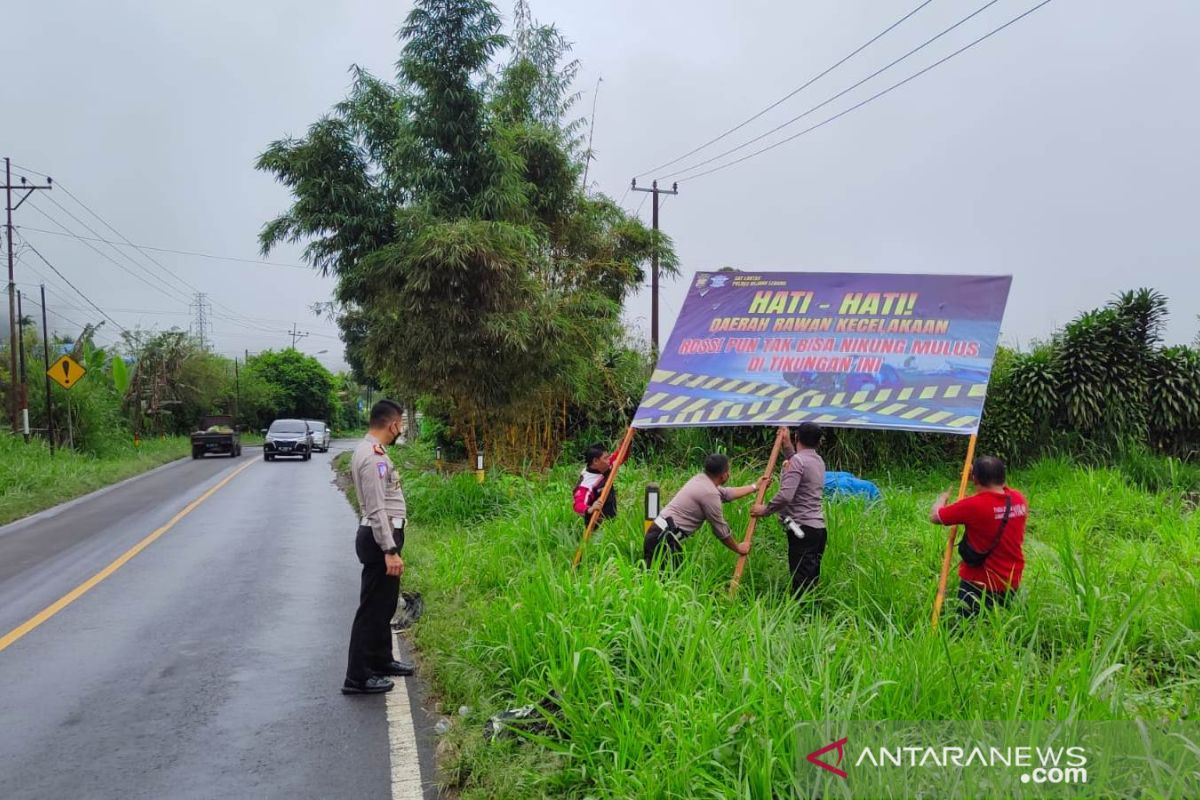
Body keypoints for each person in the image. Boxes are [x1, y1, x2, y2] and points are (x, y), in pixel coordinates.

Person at [343, 399, 416, 695]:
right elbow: (375, 509)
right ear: (393, 424)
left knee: (384, 604)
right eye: (401, 424)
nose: (401, 429)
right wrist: (389, 550)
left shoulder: (371, 450)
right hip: (379, 539)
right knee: (372, 609)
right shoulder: (374, 457)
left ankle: (381, 659)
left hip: (382, 536)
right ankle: (357, 677)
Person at [929, 455, 1028, 617]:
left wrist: (942, 499)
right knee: (1000, 629)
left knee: (967, 630)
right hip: (1011, 580)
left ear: (975, 479)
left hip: (978, 584)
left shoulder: (973, 506)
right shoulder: (1019, 499)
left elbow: (935, 516)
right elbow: (999, 491)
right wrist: (977, 478)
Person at [643, 453, 763, 568]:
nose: (729, 474)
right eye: (728, 471)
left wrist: (754, 487)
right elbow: (720, 531)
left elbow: (726, 493)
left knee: (665, 580)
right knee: (662, 581)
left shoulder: (701, 480)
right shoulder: (709, 493)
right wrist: (738, 548)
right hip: (663, 539)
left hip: (660, 533)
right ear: (723, 475)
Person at [751, 423, 828, 598]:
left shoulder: (797, 462)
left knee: (802, 581)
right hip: (817, 530)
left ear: (797, 438)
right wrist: (787, 446)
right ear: (818, 442)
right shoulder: (818, 461)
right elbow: (798, 462)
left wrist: (765, 510)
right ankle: (810, 614)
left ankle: (804, 617)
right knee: (809, 577)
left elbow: (786, 496)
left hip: (801, 530)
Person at [573, 442, 626, 526]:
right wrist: (590, 509)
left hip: (611, 520)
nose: (609, 460)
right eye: (605, 458)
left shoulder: (605, 465)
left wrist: (627, 440)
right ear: (595, 461)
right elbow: (578, 505)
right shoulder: (586, 484)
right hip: (596, 524)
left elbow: (620, 456)